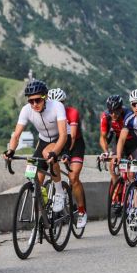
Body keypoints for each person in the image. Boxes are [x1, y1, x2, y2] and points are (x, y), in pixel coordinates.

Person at [3, 80, 69, 212]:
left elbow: (63, 135)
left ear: (45, 97)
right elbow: (16, 135)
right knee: (34, 179)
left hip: (60, 138)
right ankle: (41, 219)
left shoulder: (56, 106)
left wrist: (55, 153)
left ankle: (60, 192)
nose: (34, 104)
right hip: (44, 140)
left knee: (47, 154)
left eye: (37, 100)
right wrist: (11, 150)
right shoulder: (26, 110)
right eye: (31, 101)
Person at [47, 87, 87, 229]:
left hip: (75, 145)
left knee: (73, 177)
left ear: (64, 103)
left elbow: (73, 136)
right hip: (60, 143)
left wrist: (67, 154)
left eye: (60, 103)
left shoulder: (72, 112)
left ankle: (82, 211)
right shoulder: (49, 114)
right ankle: (59, 192)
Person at [101, 94, 136, 184]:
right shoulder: (106, 116)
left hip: (134, 142)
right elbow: (103, 137)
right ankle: (118, 188)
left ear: (121, 109)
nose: (113, 115)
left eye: (116, 112)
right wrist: (106, 152)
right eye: (111, 111)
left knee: (131, 173)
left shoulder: (128, 115)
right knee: (112, 165)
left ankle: (132, 191)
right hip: (119, 141)